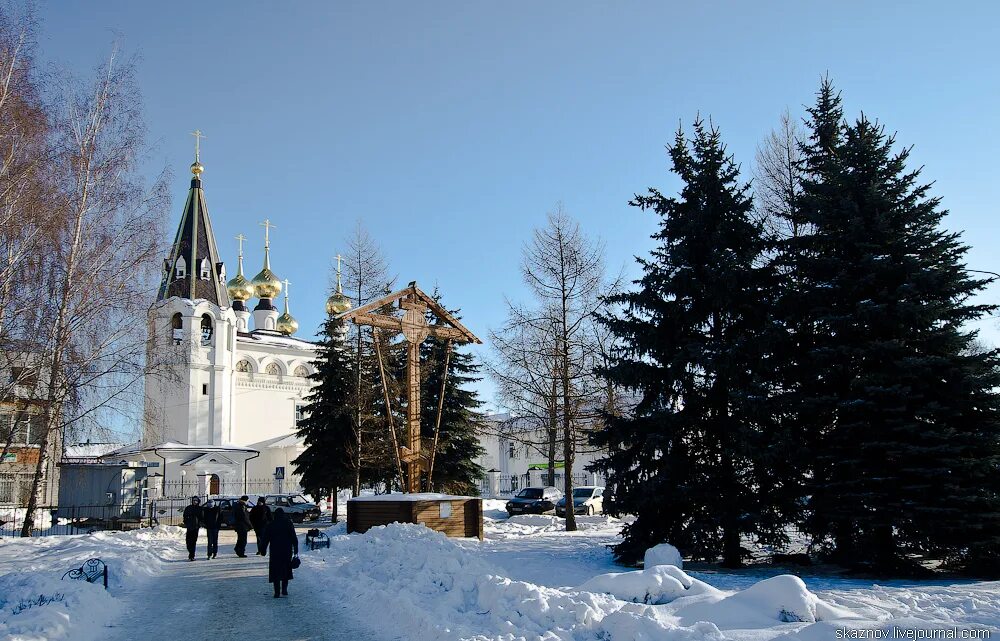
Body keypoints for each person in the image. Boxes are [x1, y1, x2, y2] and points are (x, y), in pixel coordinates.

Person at [261, 507, 298, 598]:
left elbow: (265, 539)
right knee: (286, 570)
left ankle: (277, 592)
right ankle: (284, 589)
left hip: (275, 551)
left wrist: (263, 550)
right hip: (286, 550)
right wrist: (296, 549)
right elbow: (294, 537)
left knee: (275, 571)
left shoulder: (271, 524)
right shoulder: (288, 523)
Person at [181, 496, 203, 561]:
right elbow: (185, 516)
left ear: (198, 501)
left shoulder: (200, 508)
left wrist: (199, 524)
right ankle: (190, 550)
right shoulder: (188, 508)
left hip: (196, 527)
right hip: (189, 527)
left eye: (196, 500)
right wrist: (186, 522)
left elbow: (202, 517)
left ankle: (192, 555)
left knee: (193, 542)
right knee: (188, 541)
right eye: (194, 500)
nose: (195, 502)